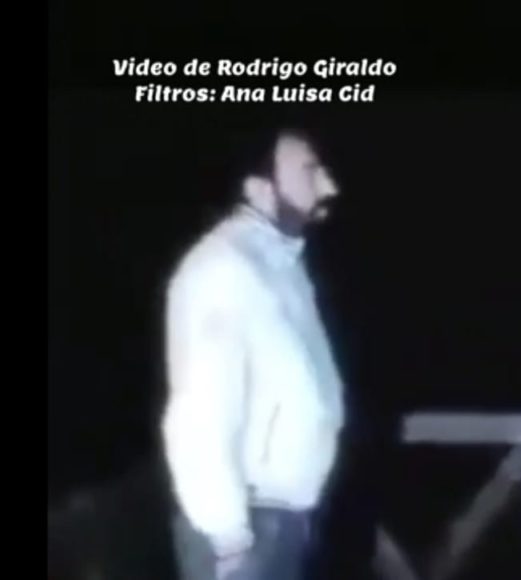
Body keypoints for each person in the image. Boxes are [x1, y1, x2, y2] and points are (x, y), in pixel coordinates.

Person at [161, 128, 346, 580]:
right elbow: (200, 412)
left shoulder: (280, 265)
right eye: (309, 171)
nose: (328, 187)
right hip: (247, 530)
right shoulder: (224, 269)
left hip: (284, 520)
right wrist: (229, 534)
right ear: (259, 188)